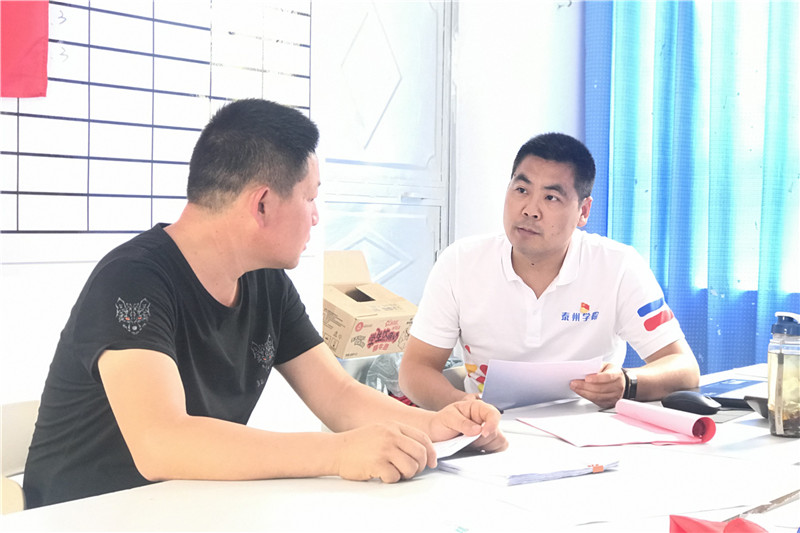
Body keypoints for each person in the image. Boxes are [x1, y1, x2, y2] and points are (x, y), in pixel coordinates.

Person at [23, 99, 507, 509]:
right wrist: (337, 453)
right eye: (310, 198)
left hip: (186, 509)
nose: (316, 218)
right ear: (262, 204)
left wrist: (436, 426)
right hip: (86, 515)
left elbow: (338, 396)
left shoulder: (266, 282)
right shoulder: (133, 279)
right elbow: (161, 442)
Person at [398, 132, 700, 411]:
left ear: (583, 211)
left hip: (590, 432)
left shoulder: (618, 266)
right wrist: (464, 406)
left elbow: (683, 368)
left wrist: (627, 383)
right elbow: (416, 369)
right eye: (521, 190)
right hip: (490, 429)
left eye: (551, 197)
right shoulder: (460, 263)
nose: (530, 210)